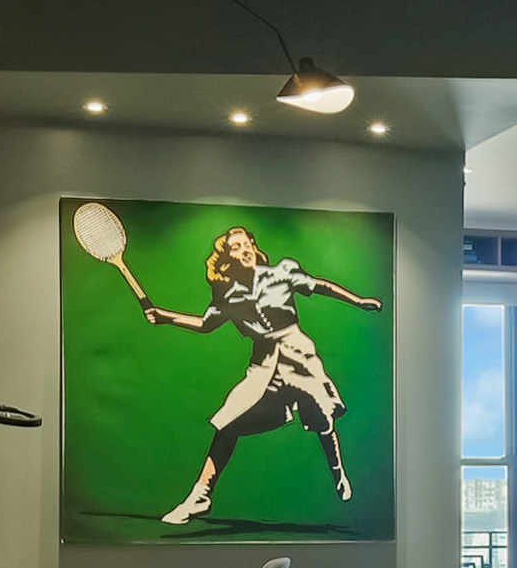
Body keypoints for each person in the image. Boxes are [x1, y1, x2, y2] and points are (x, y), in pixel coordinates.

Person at [125, 223, 383, 521]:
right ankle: (200, 496)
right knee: (228, 421)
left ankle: (338, 472)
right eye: (235, 247)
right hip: (263, 362)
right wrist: (166, 317)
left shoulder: (281, 272)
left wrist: (359, 301)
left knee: (322, 419)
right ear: (227, 258)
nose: (244, 249)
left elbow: (319, 285)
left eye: (247, 243)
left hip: (299, 355)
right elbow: (205, 324)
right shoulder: (229, 297)